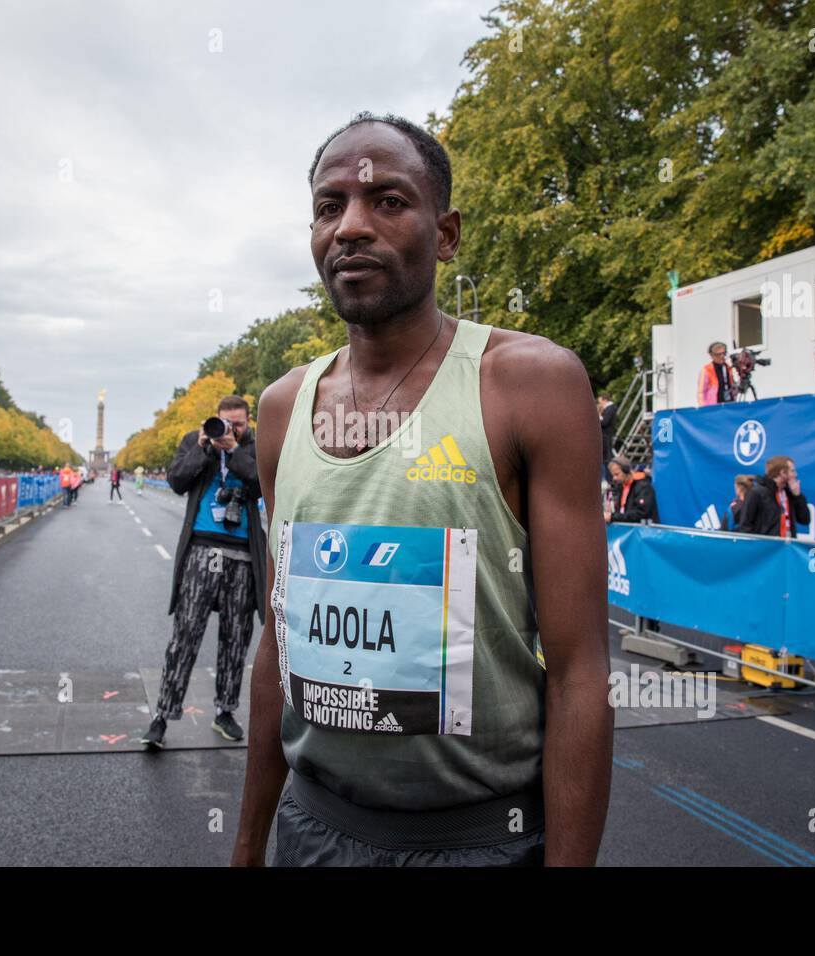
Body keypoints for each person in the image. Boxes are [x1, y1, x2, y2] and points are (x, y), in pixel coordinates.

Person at [230, 112, 612, 868]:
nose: (351, 228)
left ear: (446, 233)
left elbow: (579, 672)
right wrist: (247, 847)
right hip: (311, 833)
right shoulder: (280, 409)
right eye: (329, 207)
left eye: (389, 202)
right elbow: (280, 644)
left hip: (480, 843)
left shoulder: (530, 384)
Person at [141, 396, 267, 748]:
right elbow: (176, 481)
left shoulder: (256, 447)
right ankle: (163, 715)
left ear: (247, 423)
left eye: (238, 424)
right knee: (185, 634)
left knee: (236, 639)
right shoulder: (195, 442)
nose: (229, 429)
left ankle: (225, 711)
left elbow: (262, 483)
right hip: (201, 551)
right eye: (224, 422)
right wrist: (204, 449)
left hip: (242, 556)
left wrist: (236, 449)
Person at [738, 455, 810, 537]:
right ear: (782, 473)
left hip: (787, 547)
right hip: (767, 548)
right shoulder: (756, 493)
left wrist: (798, 496)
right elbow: (745, 526)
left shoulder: (789, 493)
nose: (795, 474)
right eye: (792, 471)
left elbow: (805, 520)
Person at [605, 456, 658, 524]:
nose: (614, 478)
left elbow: (641, 513)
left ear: (626, 470)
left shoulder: (643, 487)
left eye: (617, 474)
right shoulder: (620, 488)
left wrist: (613, 517)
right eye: (613, 475)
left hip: (643, 532)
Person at [697, 342, 736, 406]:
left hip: (729, 403)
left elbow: (732, 386)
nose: (722, 356)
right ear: (712, 355)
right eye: (718, 354)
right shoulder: (706, 370)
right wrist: (703, 407)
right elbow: (701, 392)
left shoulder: (728, 367)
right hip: (713, 407)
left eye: (724, 353)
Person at [597, 394, 617, 481]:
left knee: (607, 457)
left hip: (606, 436)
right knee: (606, 457)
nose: (600, 404)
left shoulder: (610, 408)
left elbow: (605, 422)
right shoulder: (608, 409)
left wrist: (598, 418)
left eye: (600, 401)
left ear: (605, 400)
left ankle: (609, 478)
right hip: (605, 436)